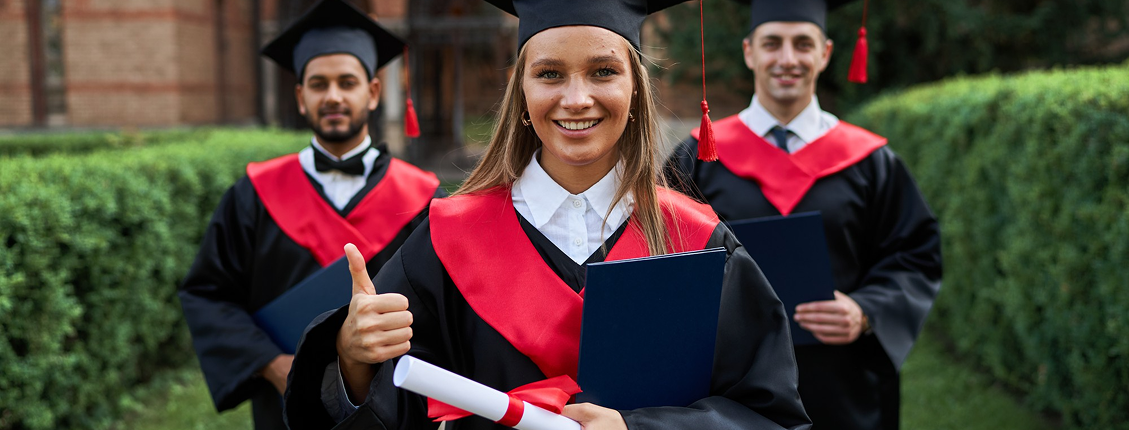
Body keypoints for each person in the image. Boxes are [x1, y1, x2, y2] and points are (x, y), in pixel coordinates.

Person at [282, 0, 812, 429]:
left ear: (635, 86)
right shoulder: (447, 241)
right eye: (551, 74)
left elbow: (767, 412)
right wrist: (352, 359)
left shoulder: (697, 241)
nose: (576, 98)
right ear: (521, 88)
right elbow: (393, 408)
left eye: (603, 71)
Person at [665, 0, 943, 429]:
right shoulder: (699, 157)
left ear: (826, 53)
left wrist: (866, 309)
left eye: (803, 44)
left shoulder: (871, 162)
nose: (788, 59)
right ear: (749, 52)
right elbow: (659, 259)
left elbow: (914, 255)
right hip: (729, 385)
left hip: (843, 382)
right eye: (772, 43)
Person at [177, 1, 444, 429]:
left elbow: (446, 312)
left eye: (347, 82)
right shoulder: (253, 195)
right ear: (301, 98)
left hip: (393, 406)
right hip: (284, 408)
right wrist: (269, 363)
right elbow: (209, 294)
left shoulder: (424, 199)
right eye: (318, 84)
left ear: (373, 92)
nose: (333, 96)